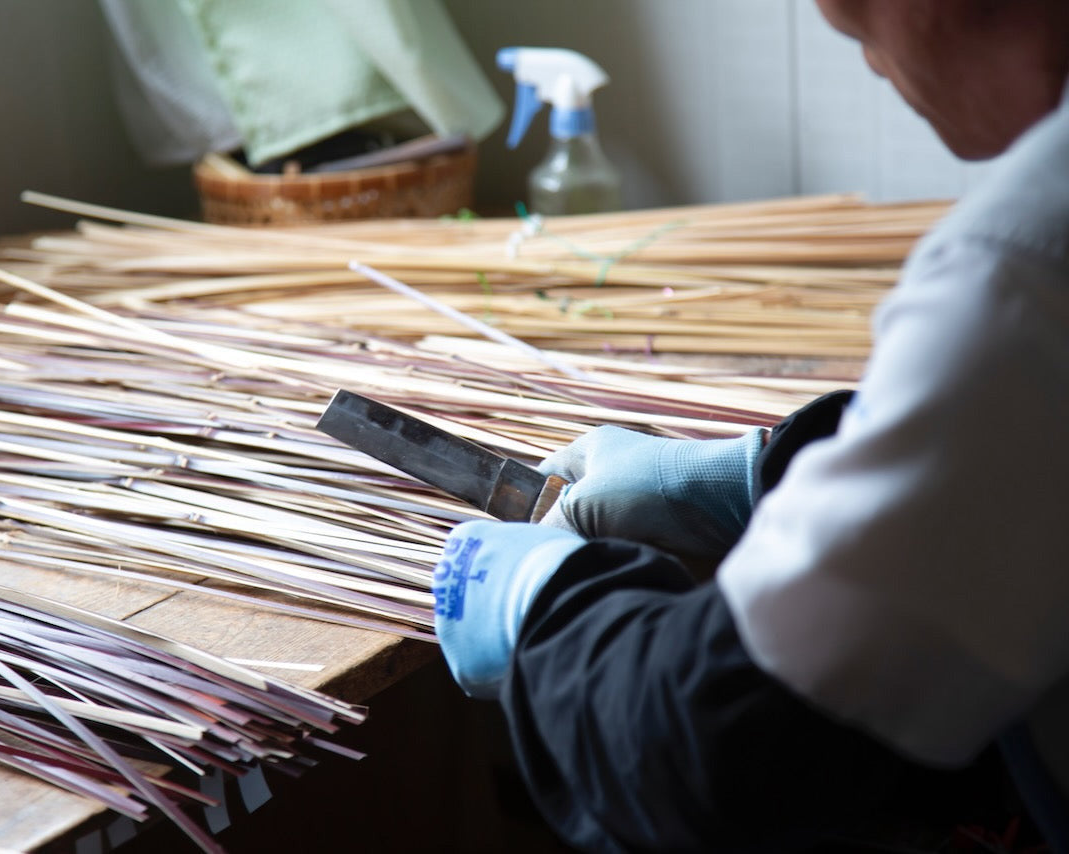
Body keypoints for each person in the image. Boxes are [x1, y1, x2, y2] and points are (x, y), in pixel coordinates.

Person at [431, 2, 1069, 851]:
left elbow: (715, 751)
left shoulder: (1024, 272)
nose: (869, 58)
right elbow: (1013, 458)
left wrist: (544, 610)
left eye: (855, 21)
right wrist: (761, 476)